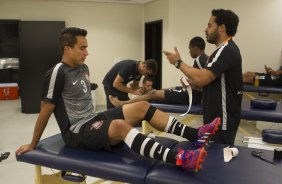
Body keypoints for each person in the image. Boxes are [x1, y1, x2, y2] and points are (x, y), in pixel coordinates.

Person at [15, 27, 221, 173]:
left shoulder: (83, 68)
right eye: (82, 48)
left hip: (93, 117)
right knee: (121, 126)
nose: (87, 52)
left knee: (142, 105)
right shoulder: (57, 72)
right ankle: (179, 159)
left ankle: (196, 135)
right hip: (76, 131)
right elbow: (45, 110)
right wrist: (33, 144)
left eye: (87, 47)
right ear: (67, 49)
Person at [163, 9, 242, 145]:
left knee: (218, 161)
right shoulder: (220, 51)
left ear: (222, 28)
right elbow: (208, 83)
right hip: (216, 121)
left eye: (210, 25)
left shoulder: (227, 49)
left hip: (222, 123)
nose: (205, 29)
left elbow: (203, 78)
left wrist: (178, 62)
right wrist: (192, 85)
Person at [109, 36, 208, 107]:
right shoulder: (205, 58)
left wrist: (189, 83)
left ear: (195, 48)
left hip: (191, 96)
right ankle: (148, 94)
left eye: (190, 49)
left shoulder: (200, 60)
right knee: (167, 89)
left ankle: (122, 103)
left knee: (153, 94)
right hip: (190, 93)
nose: (189, 51)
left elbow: (204, 84)